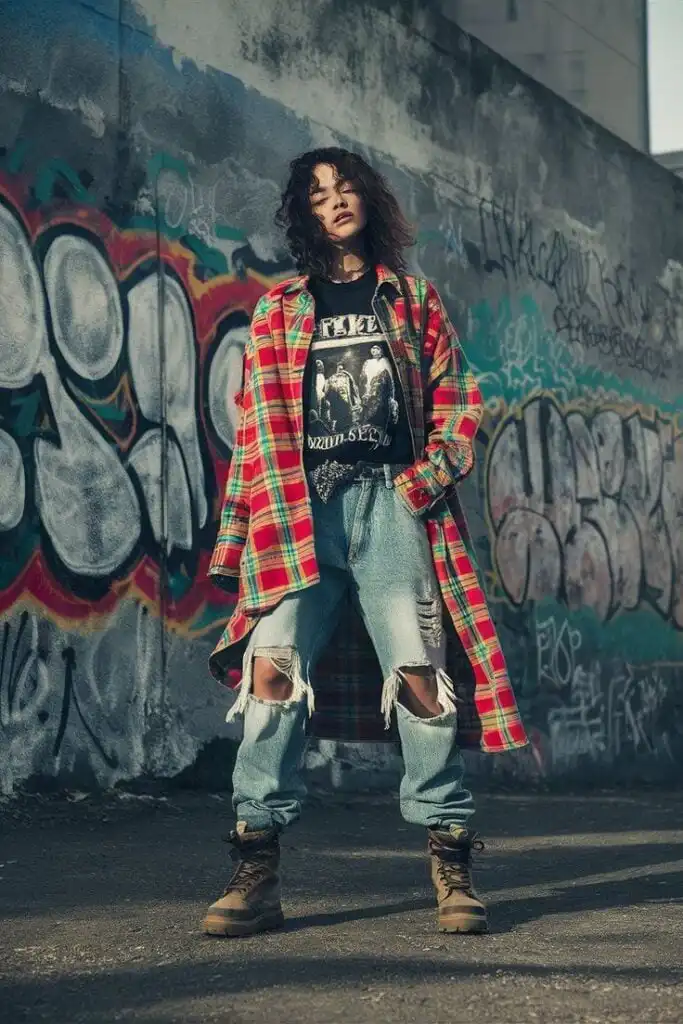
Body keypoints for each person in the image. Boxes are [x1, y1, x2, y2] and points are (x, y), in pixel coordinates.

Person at [204, 147, 527, 939]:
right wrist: (238, 534)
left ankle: (450, 859)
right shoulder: (278, 309)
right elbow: (254, 430)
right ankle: (256, 865)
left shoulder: (412, 299)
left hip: (391, 505)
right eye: (318, 195)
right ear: (303, 215)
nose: (335, 201)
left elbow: (459, 399)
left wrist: (424, 481)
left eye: (345, 187)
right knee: (272, 675)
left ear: (367, 200)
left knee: (420, 679)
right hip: (297, 508)